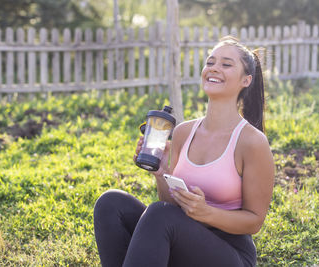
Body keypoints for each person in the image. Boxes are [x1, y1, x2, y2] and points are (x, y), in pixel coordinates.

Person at [93, 36, 275, 267]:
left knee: (160, 215)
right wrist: (161, 173)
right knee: (111, 203)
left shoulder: (251, 142)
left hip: (230, 254)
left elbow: (254, 221)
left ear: (246, 80)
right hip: (182, 241)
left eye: (226, 64)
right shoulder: (183, 132)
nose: (214, 68)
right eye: (210, 62)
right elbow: (171, 205)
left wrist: (205, 212)